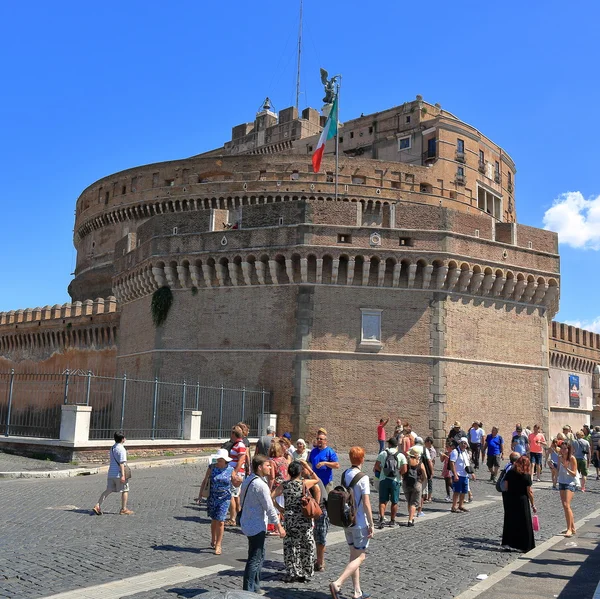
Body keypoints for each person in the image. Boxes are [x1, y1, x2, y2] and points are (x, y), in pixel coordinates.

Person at [329, 446, 373, 599]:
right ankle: (338, 583)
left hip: (347, 521)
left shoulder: (345, 474)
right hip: (360, 522)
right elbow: (366, 503)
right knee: (361, 557)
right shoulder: (364, 478)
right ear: (362, 459)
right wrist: (372, 524)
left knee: (354, 556)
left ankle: (357, 591)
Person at [240, 455, 286, 593]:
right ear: (260, 467)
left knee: (258, 555)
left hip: (249, 522)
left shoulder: (249, 480)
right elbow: (269, 508)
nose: (270, 467)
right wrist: (279, 526)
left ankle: (255, 586)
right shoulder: (260, 484)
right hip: (256, 525)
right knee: (255, 558)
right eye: (267, 465)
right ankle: (248, 590)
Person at [272, 460, 319, 582]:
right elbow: (317, 480)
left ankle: (293, 572)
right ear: (300, 472)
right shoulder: (304, 483)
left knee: (291, 546)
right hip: (304, 518)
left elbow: (271, 496)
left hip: (290, 519)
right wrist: (308, 467)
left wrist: (279, 508)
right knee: (306, 544)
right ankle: (306, 571)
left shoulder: (284, 485)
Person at [196, 448, 242, 554]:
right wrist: (200, 496)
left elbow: (235, 484)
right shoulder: (212, 467)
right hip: (212, 497)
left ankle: (218, 544)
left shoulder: (230, 469)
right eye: (218, 459)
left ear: (225, 460)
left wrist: (239, 482)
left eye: (220, 460)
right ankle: (213, 539)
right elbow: (205, 481)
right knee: (214, 520)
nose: (219, 462)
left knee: (221, 521)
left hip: (225, 498)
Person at [92, 431, 133, 516]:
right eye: (124, 437)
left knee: (108, 490)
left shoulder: (112, 448)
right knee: (125, 490)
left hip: (111, 473)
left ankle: (97, 505)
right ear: (122, 439)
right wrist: (122, 475)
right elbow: (122, 463)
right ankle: (123, 509)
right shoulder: (122, 449)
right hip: (118, 474)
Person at [500, 455, 536, 552]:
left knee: (510, 521)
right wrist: (533, 504)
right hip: (522, 500)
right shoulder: (526, 476)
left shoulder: (510, 472)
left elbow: (506, 487)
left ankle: (508, 543)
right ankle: (524, 545)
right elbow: (529, 492)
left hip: (510, 499)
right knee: (524, 523)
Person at [373, 437, 407, 528]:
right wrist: (398, 473)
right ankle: (392, 521)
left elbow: (376, 466)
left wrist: (383, 471)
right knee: (394, 501)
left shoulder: (383, 453)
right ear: (396, 445)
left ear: (389, 444)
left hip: (383, 480)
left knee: (382, 501)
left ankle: (382, 519)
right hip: (395, 481)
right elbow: (405, 469)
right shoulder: (401, 455)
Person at [226, 426, 248, 526]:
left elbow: (241, 459)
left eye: (231, 433)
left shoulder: (240, 445)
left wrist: (235, 472)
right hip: (234, 471)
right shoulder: (236, 444)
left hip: (237, 473)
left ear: (234, 434)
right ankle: (238, 516)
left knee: (231, 495)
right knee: (235, 495)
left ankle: (233, 518)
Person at [558, 441, 578, 537]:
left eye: (565, 448)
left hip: (570, 483)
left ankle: (569, 529)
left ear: (568, 449)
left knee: (567, 505)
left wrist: (566, 468)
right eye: (562, 448)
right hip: (561, 482)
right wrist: (552, 466)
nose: (563, 450)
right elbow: (558, 470)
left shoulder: (572, 458)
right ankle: (572, 528)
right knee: (565, 506)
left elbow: (574, 474)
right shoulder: (560, 458)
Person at [403, 448, 427, 526]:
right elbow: (425, 475)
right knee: (413, 503)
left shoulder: (406, 462)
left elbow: (403, 472)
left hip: (406, 483)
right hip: (417, 483)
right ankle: (410, 520)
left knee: (409, 501)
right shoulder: (420, 463)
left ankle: (411, 516)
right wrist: (422, 481)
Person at [449, 437, 474, 513]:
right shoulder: (455, 452)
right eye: (462, 443)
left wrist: (472, 473)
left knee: (464, 491)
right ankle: (454, 506)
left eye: (465, 443)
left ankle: (461, 505)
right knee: (456, 491)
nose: (463, 445)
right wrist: (455, 474)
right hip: (458, 474)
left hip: (465, 475)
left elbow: (467, 463)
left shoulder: (466, 452)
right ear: (459, 443)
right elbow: (452, 463)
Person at [423, 437, 437, 502]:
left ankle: (429, 497)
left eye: (425, 442)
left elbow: (430, 460)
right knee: (426, 482)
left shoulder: (432, 451)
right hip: (426, 467)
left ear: (428, 442)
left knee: (429, 482)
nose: (424, 443)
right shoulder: (426, 449)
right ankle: (425, 496)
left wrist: (432, 471)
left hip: (429, 468)